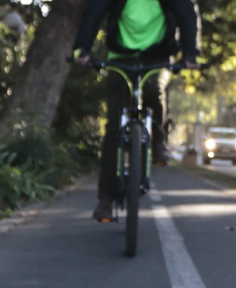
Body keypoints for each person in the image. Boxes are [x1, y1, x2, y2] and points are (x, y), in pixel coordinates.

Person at [72, 0, 201, 222]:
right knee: (113, 127)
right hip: (121, 57)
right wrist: (82, 48)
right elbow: (94, 12)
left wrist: (191, 53)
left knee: (153, 89)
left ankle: (158, 141)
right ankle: (105, 199)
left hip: (157, 56)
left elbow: (186, 15)